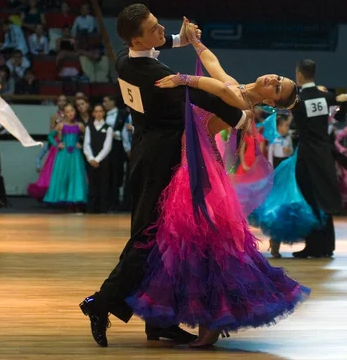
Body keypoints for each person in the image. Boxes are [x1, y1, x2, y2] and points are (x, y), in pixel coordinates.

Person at [125, 19, 308, 347]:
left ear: (271, 102)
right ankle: (184, 319)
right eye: (278, 78)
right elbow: (215, 67)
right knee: (184, 247)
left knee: (203, 249)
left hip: (198, 171)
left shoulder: (241, 102)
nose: (272, 80)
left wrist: (183, 79)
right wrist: (194, 41)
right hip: (190, 162)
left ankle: (210, 322)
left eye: (277, 88)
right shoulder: (238, 87)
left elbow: (219, 89)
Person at [79, 5, 250, 348]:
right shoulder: (156, 75)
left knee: (166, 242)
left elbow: (158, 46)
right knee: (150, 238)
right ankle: (100, 302)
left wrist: (179, 39)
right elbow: (211, 98)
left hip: (145, 151)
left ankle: (159, 321)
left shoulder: (124, 58)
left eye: (160, 26)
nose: (162, 31)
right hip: (163, 160)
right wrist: (241, 115)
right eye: (154, 29)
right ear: (137, 37)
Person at [290, 60, 347, 259]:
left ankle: (313, 246)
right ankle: (327, 245)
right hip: (324, 153)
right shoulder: (326, 96)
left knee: (310, 199)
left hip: (307, 154)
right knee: (323, 197)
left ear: (299, 74)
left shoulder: (297, 99)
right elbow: (346, 107)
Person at [43, 103, 88, 212]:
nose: (70, 113)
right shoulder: (61, 125)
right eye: (67, 112)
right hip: (63, 155)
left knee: (76, 177)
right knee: (64, 177)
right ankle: (67, 203)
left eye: (72, 111)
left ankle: (76, 201)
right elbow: (50, 136)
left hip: (76, 155)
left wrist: (81, 143)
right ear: (64, 113)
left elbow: (89, 136)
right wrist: (57, 144)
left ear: (75, 112)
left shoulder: (80, 125)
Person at [83, 104, 113, 213]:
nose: (98, 113)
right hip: (91, 161)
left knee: (103, 184)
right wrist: (91, 158)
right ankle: (91, 209)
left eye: (100, 111)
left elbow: (107, 146)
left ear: (104, 113)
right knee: (92, 184)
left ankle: (102, 209)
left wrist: (97, 159)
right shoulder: (89, 127)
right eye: (96, 111)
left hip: (103, 161)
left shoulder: (108, 128)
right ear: (93, 113)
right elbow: (86, 144)